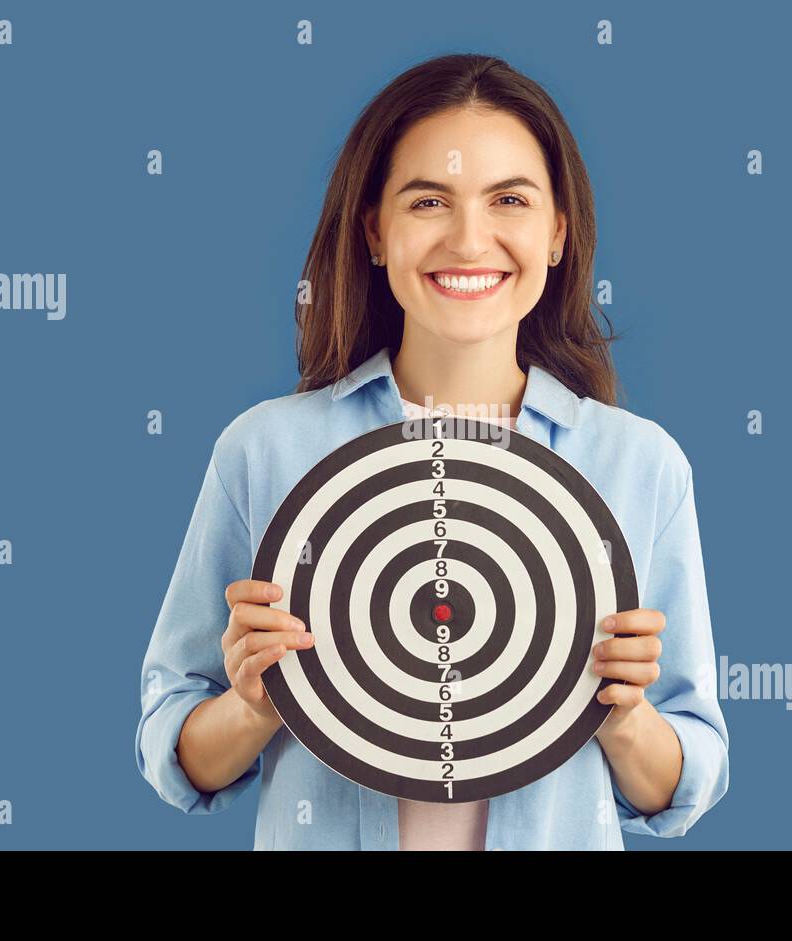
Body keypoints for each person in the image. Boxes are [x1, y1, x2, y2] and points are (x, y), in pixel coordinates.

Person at [135, 53, 728, 850]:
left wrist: (623, 715)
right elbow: (174, 748)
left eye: (509, 199)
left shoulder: (638, 463)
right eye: (429, 201)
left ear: (557, 233)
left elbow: (686, 778)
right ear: (375, 231)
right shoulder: (265, 450)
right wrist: (253, 704)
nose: (469, 238)